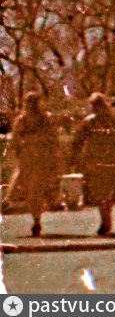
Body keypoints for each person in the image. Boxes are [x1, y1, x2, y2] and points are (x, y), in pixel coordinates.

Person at [68, 93, 115, 237]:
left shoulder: (91, 121)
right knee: (106, 192)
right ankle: (106, 218)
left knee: (101, 192)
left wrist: (74, 158)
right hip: (110, 161)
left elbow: (78, 141)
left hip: (97, 161)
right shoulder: (112, 120)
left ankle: (105, 220)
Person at [10, 92, 62, 238]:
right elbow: (16, 139)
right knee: (31, 191)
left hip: (42, 160)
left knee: (38, 190)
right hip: (30, 160)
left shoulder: (46, 119)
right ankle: (36, 218)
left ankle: (37, 218)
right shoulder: (23, 120)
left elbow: (53, 138)